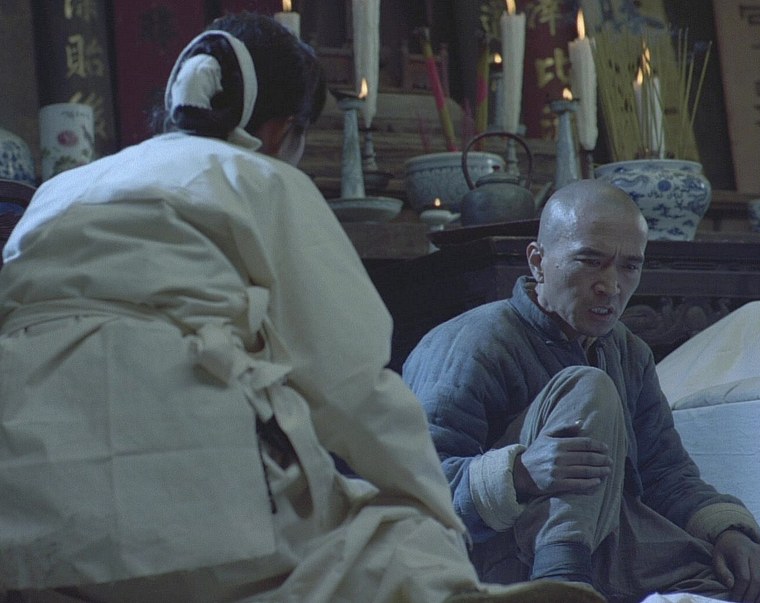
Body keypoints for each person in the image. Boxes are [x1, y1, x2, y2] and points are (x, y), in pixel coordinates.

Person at [0, 13, 602, 603]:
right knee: (386, 538)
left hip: (26, 510)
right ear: (280, 131)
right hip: (184, 500)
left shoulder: (58, 191)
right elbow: (352, 385)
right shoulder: (258, 177)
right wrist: (436, 515)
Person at [402, 179, 760, 603]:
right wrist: (519, 474)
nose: (611, 285)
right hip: (501, 557)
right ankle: (561, 582)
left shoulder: (628, 352)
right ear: (538, 261)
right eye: (590, 261)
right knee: (589, 388)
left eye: (629, 267)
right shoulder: (473, 343)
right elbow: (412, 495)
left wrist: (729, 534)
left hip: (611, 546)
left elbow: (665, 473)